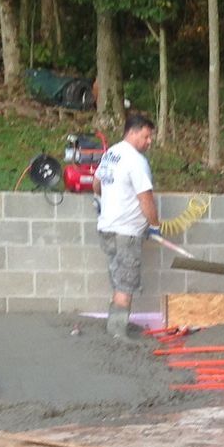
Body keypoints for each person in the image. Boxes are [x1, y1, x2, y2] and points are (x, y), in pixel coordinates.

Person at [91, 110, 159, 339]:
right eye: (146, 136)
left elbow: (96, 182)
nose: (149, 142)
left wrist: (103, 202)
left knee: (118, 279)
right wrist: (154, 225)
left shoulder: (111, 153)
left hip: (107, 229)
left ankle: (115, 326)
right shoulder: (136, 161)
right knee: (125, 284)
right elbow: (145, 198)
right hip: (126, 233)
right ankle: (117, 333)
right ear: (133, 132)